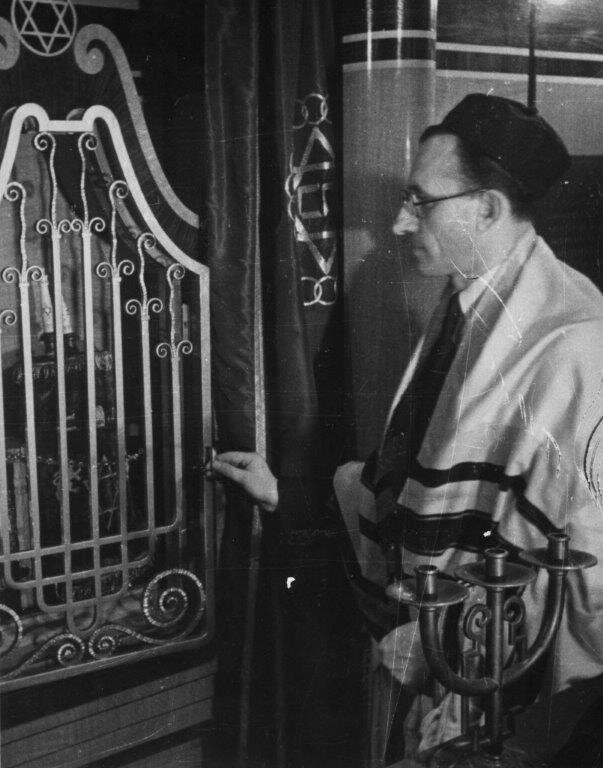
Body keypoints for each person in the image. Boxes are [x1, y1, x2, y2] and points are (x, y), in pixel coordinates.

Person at [211, 94, 603, 762]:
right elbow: (411, 484)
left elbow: (583, 572)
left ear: (487, 209)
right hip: (441, 653)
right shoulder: (468, 302)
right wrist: (287, 494)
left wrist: (454, 646)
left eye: (420, 202)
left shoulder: (574, 342)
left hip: (509, 708)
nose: (398, 222)